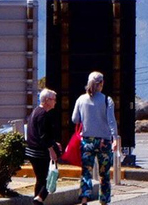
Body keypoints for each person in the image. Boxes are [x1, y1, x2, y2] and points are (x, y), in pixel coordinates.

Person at [71, 72, 118, 205]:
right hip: (104, 141)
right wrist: (114, 138)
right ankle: (103, 200)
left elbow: (75, 119)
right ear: (101, 83)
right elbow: (111, 121)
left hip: (87, 141)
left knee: (86, 171)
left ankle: (85, 198)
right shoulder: (107, 100)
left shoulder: (81, 99)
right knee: (104, 173)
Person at [26, 88, 61, 203]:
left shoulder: (36, 112)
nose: (55, 102)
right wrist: (52, 150)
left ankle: (37, 200)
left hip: (32, 151)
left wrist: (53, 143)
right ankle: (39, 200)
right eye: (53, 99)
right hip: (39, 152)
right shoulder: (43, 115)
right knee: (50, 178)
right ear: (46, 100)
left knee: (41, 180)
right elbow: (43, 135)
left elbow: (40, 133)